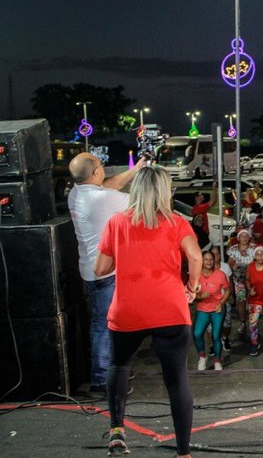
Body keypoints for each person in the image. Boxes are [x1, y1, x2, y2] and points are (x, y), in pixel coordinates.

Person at [94, 166, 202, 458]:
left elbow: (100, 269)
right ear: (165, 191)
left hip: (128, 308)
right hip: (170, 308)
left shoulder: (117, 222)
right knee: (177, 378)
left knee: (119, 365)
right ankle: (183, 452)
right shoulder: (177, 223)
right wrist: (191, 286)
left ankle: (117, 431)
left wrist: (128, 257)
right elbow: (194, 255)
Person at [67, 152, 144, 395]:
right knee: (105, 325)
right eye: (101, 166)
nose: (104, 169)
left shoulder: (76, 193)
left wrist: (136, 168)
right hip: (106, 273)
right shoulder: (103, 199)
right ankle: (102, 379)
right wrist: (147, 177)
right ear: (94, 173)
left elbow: (109, 186)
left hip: (90, 270)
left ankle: (114, 369)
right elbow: (140, 200)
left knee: (106, 322)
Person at [192, 250, 231, 371]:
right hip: (202, 309)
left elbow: (228, 290)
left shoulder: (220, 274)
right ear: (201, 261)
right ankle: (202, 357)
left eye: (211, 259)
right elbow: (190, 294)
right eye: (206, 259)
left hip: (217, 309)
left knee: (216, 335)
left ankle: (217, 360)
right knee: (197, 334)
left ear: (214, 261)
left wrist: (221, 303)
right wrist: (200, 297)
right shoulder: (196, 275)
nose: (209, 262)